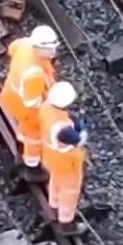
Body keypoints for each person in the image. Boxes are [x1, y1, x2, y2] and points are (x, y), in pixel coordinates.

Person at [0, 25, 60, 170]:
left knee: (24, 128)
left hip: (10, 95)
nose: (54, 52)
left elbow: (11, 49)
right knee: (34, 136)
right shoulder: (34, 74)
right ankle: (32, 163)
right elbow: (32, 105)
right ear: (39, 47)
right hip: (24, 107)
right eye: (50, 49)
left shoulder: (25, 43)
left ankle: (21, 136)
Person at [37, 81, 86, 229]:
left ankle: (54, 203)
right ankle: (66, 220)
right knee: (70, 191)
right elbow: (79, 139)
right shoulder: (64, 130)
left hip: (50, 156)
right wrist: (82, 127)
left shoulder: (46, 108)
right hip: (67, 163)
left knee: (55, 181)